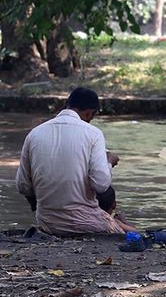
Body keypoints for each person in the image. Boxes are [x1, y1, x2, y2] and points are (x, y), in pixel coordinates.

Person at [15, 87, 125, 235]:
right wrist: (109, 162)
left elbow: (23, 186)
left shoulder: (34, 134)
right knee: (127, 234)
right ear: (89, 113)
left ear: (67, 104)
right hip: (86, 223)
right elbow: (101, 184)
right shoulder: (93, 134)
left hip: (47, 223)